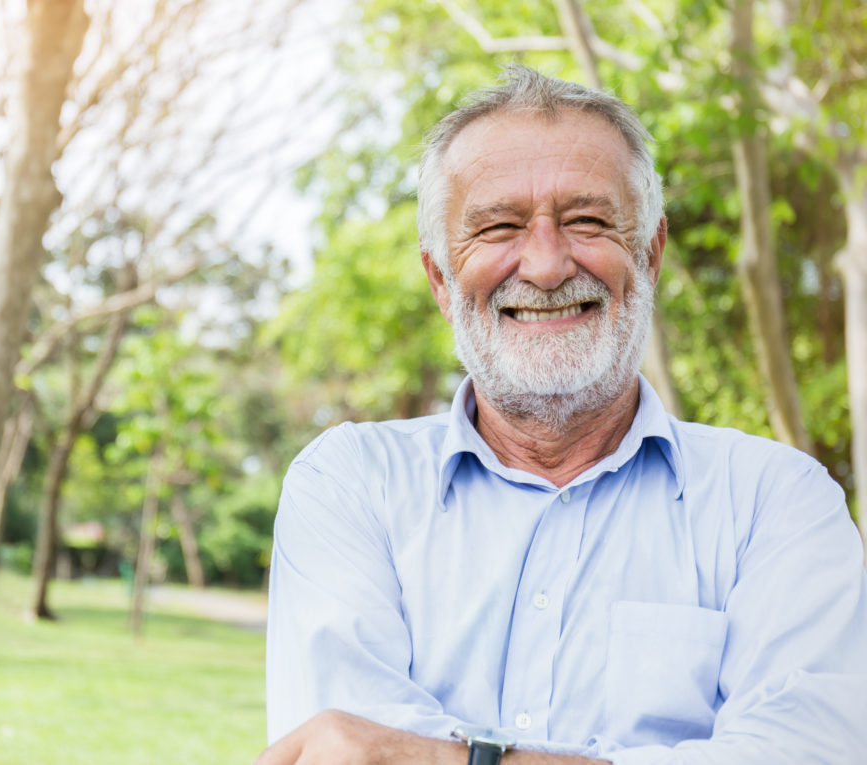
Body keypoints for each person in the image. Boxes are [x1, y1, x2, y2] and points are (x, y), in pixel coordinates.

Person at [256, 66, 867, 765]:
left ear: (651, 254)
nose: (546, 265)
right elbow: (340, 755)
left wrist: (438, 756)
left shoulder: (779, 500)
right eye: (499, 226)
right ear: (440, 280)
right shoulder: (349, 483)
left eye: (587, 221)